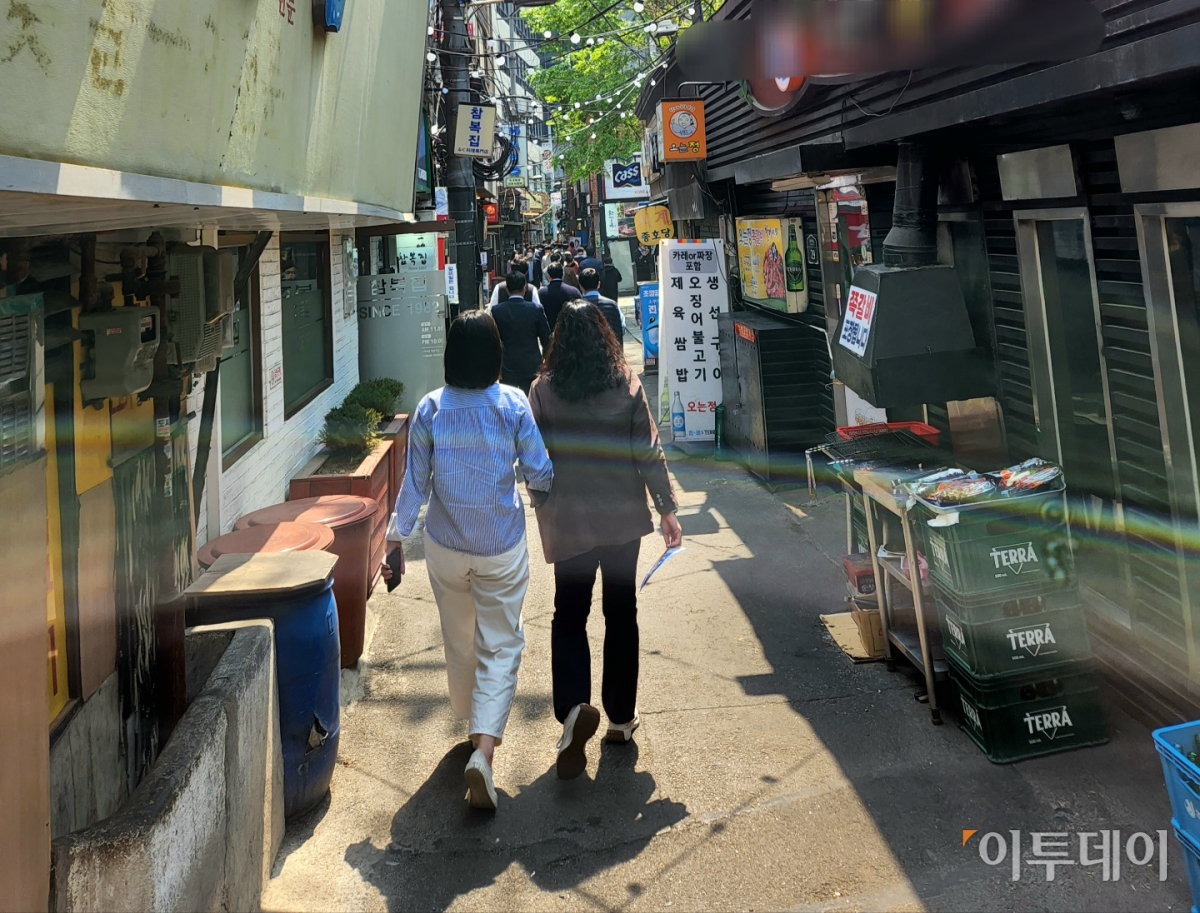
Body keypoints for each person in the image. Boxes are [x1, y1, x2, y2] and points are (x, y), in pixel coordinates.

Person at [385, 310, 554, 810]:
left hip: (445, 546)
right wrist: (542, 494)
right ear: (497, 356)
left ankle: (467, 715)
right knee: (501, 643)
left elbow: (414, 484)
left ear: (450, 357)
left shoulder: (430, 408)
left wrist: (395, 538)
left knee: (459, 636)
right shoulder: (512, 404)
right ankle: (484, 749)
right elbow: (540, 470)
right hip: (501, 545)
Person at [529, 303, 682, 779]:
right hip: (621, 522)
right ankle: (619, 718)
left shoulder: (543, 391)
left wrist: (542, 501)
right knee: (621, 614)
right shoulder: (627, 384)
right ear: (605, 338)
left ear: (559, 341)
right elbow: (648, 450)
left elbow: (532, 459)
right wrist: (667, 509)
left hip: (570, 522)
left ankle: (575, 709)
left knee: (569, 616)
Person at [491, 271, 552, 393]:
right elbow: (546, 338)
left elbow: (492, 339)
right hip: (531, 364)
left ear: (507, 289)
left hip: (507, 365)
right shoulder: (535, 309)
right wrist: (546, 359)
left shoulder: (497, 311)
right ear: (524, 288)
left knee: (508, 400)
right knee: (530, 401)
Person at [577, 267, 624, 342]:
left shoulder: (577, 307)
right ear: (598, 284)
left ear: (580, 286)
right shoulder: (612, 305)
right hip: (610, 349)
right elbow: (622, 327)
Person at [539, 263, 582, 329]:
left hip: (549, 331)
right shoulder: (574, 291)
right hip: (570, 331)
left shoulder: (541, 293)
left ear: (549, 276)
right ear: (563, 275)